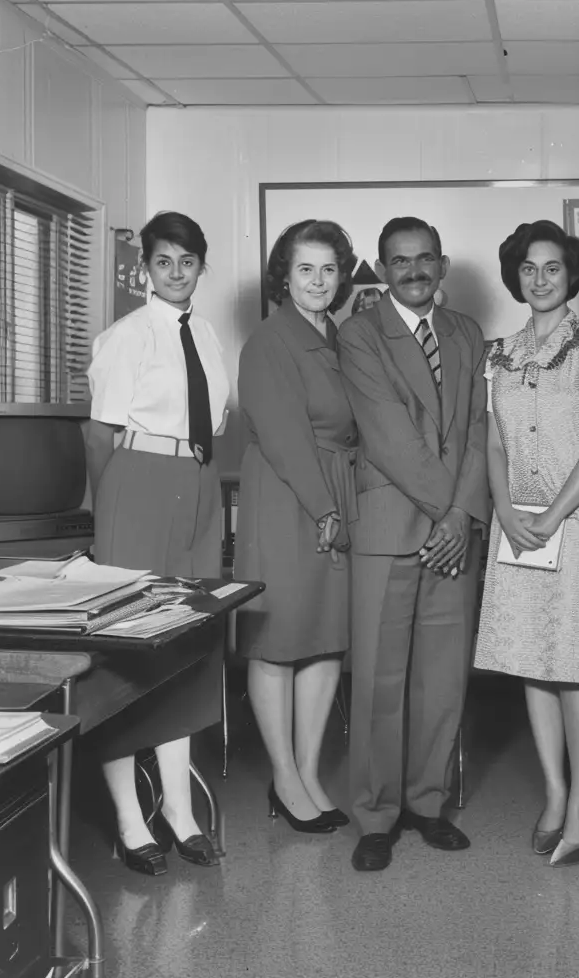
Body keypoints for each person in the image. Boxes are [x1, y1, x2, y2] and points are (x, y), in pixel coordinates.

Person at [335, 217, 488, 872]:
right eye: (401, 261)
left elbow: (483, 431)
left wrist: (462, 515)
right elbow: (390, 436)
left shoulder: (467, 333)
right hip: (390, 529)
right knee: (378, 679)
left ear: (443, 263)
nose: (415, 270)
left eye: (426, 258)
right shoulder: (360, 335)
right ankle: (375, 814)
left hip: (454, 529)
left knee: (442, 678)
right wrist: (447, 512)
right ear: (381, 267)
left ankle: (429, 803)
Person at [474, 222, 579, 866]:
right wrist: (506, 510)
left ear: (572, 275)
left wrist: (554, 514)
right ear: (515, 276)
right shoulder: (499, 353)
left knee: (575, 661)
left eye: (553, 268)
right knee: (532, 659)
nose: (540, 279)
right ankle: (555, 793)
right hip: (518, 525)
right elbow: (495, 442)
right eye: (529, 269)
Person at [83, 210, 230, 873]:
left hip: (198, 483)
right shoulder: (125, 337)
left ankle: (178, 808)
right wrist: (110, 513)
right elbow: (98, 437)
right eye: (163, 262)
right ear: (147, 268)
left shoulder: (207, 333)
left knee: (187, 644)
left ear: (202, 266)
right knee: (127, 652)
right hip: (135, 479)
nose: (175, 273)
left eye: (187, 262)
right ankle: (126, 816)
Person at [236, 218, 361, 835]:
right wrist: (327, 510)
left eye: (328, 269)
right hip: (290, 496)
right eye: (305, 269)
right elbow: (285, 439)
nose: (317, 280)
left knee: (325, 636)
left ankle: (310, 773)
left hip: (332, 488)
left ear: (342, 276)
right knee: (281, 639)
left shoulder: (334, 335)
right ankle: (283, 777)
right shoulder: (269, 340)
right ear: (283, 276)